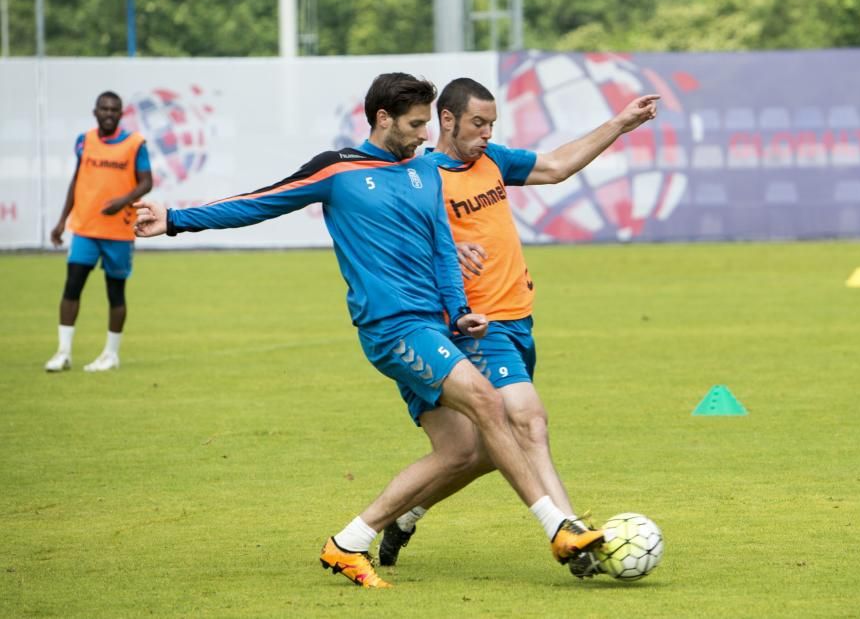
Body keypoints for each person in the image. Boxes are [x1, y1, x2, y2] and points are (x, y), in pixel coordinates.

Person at [132, 73, 604, 589]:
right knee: (491, 405)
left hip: (437, 327)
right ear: (383, 118)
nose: (425, 135)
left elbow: (444, 246)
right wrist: (175, 218)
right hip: (392, 326)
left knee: (464, 452)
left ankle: (351, 541)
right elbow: (259, 202)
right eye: (416, 124)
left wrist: (459, 308)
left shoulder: (424, 172)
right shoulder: (339, 170)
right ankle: (558, 528)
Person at [375, 77, 659, 578]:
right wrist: (441, 250)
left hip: (520, 320)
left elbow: (553, 167)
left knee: (479, 451)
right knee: (529, 421)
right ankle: (573, 537)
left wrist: (620, 123)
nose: (486, 134)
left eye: (492, 125)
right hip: (475, 327)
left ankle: (406, 514)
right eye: (478, 124)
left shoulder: (493, 161)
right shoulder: (418, 176)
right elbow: (386, 244)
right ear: (447, 120)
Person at [46, 91, 153, 373]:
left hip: (119, 231)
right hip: (85, 228)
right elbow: (77, 180)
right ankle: (63, 352)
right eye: (103, 109)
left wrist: (121, 201)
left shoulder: (134, 144)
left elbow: (147, 182)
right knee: (72, 287)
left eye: (114, 109)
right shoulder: (84, 141)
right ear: (95, 112)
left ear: (120, 114)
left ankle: (110, 354)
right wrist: (61, 222)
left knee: (115, 292)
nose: (108, 113)